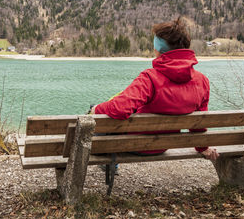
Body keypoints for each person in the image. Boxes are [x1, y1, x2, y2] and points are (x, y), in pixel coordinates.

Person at [91, 17, 219, 161]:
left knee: (100, 115)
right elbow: (199, 122)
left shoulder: (150, 78)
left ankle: (108, 161)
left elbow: (120, 108)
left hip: (135, 144)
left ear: (158, 49)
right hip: (162, 145)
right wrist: (203, 148)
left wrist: (96, 109)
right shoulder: (202, 81)